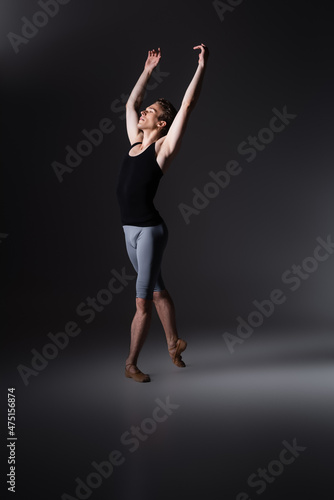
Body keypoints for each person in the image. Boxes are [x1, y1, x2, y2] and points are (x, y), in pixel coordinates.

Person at [116, 44, 209, 382]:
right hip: (129, 232)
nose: (143, 113)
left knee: (142, 302)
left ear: (162, 122)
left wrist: (201, 66)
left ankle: (130, 364)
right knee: (157, 290)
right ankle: (174, 344)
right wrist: (147, 71)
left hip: (149, 233)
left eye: (151, 111)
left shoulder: (161, 149)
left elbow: (188, 105)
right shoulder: (134, 142)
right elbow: (130, 104)